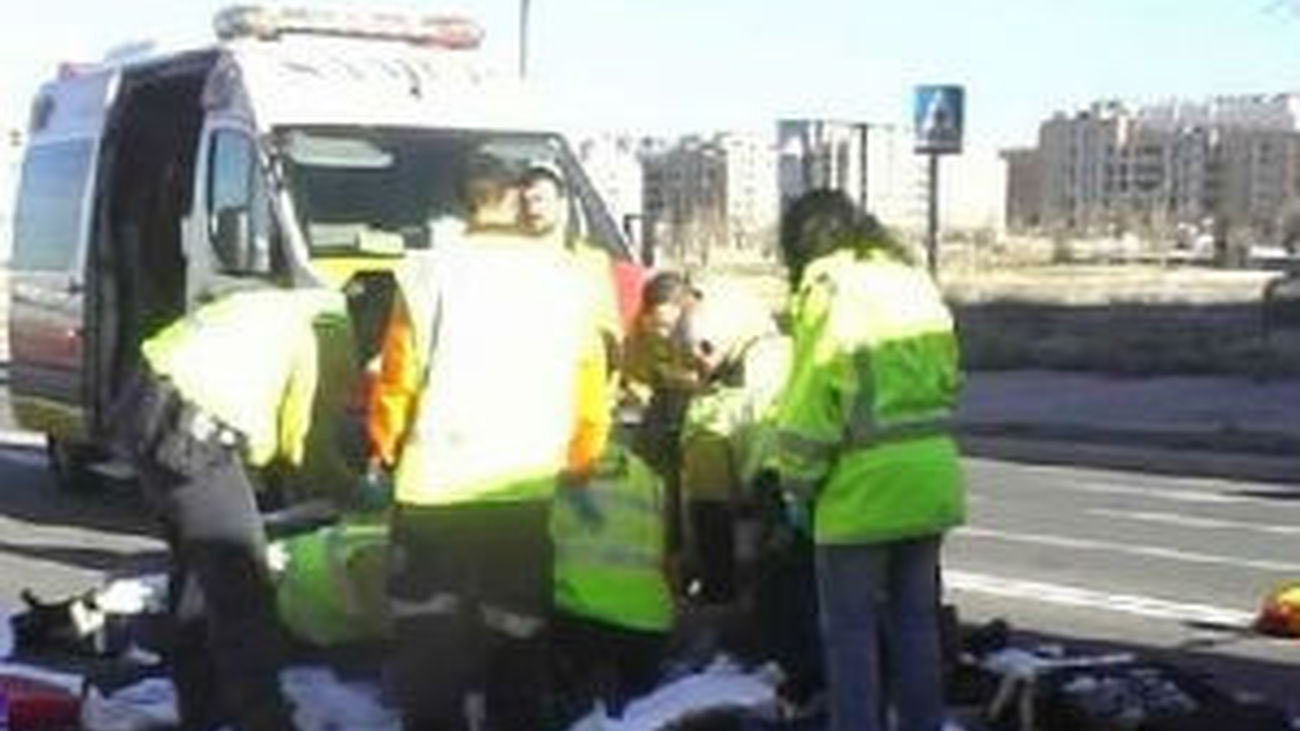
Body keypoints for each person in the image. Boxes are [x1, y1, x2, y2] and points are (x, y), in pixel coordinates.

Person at [369, 156, 610, 731]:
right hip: (523, 486)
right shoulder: (568, 277)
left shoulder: (430, 273)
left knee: (430, 634)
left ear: (463, 204)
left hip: (435, 488)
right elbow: (589, 382)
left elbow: (397, 378)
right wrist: (580, 461)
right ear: (512, 198)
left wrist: (385, 449)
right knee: (516, 630)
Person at [763, 189, 965, 731]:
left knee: (850, 634)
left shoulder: (828, 291)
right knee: (916, 624)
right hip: (932, 478)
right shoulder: (911, 281)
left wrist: (796, 487)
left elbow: (810, 407)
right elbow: (950, 375)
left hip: (860, 493)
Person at [110, 285, 347, 731]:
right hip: (191, 431)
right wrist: (357, 496)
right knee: (242, 580)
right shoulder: (330, 329)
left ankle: (200, 711)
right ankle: (265, 720)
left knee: (199, 575)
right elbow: (305, 443)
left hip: (146, 405)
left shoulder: (288, 304)